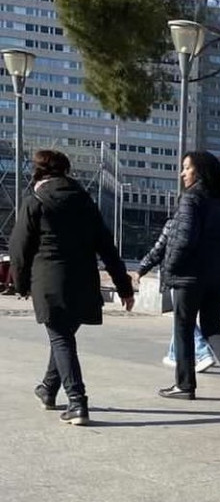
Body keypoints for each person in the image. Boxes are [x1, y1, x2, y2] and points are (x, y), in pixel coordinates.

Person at [9, 149, 134, 425]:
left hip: (49, 282)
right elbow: (106, 246)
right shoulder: (85, 202)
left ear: (38, 173)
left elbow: (18, 249)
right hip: (84, 285)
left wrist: (20, 285)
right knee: (62, 336)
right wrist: (123, 286)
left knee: (61, 339)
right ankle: (47, 389)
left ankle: (77, 402)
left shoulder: (35, 200)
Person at [159, 150, 220, 405]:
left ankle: (184, 385)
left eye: (186, 168)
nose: (182, 173)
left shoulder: (191, 199)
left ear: (199, 171)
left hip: (191, 277)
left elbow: (182, 239)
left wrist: (169, 272)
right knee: (213, 326)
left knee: (183, 327)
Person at [136, 219, 215, 373]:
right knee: (181, 317)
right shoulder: (206, 223)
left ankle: (203, 352)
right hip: (202, 278)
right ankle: (174, 354)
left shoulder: (175, 224)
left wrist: (142, 268)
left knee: (183, 318)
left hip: (178, 277)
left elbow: (158, 249)